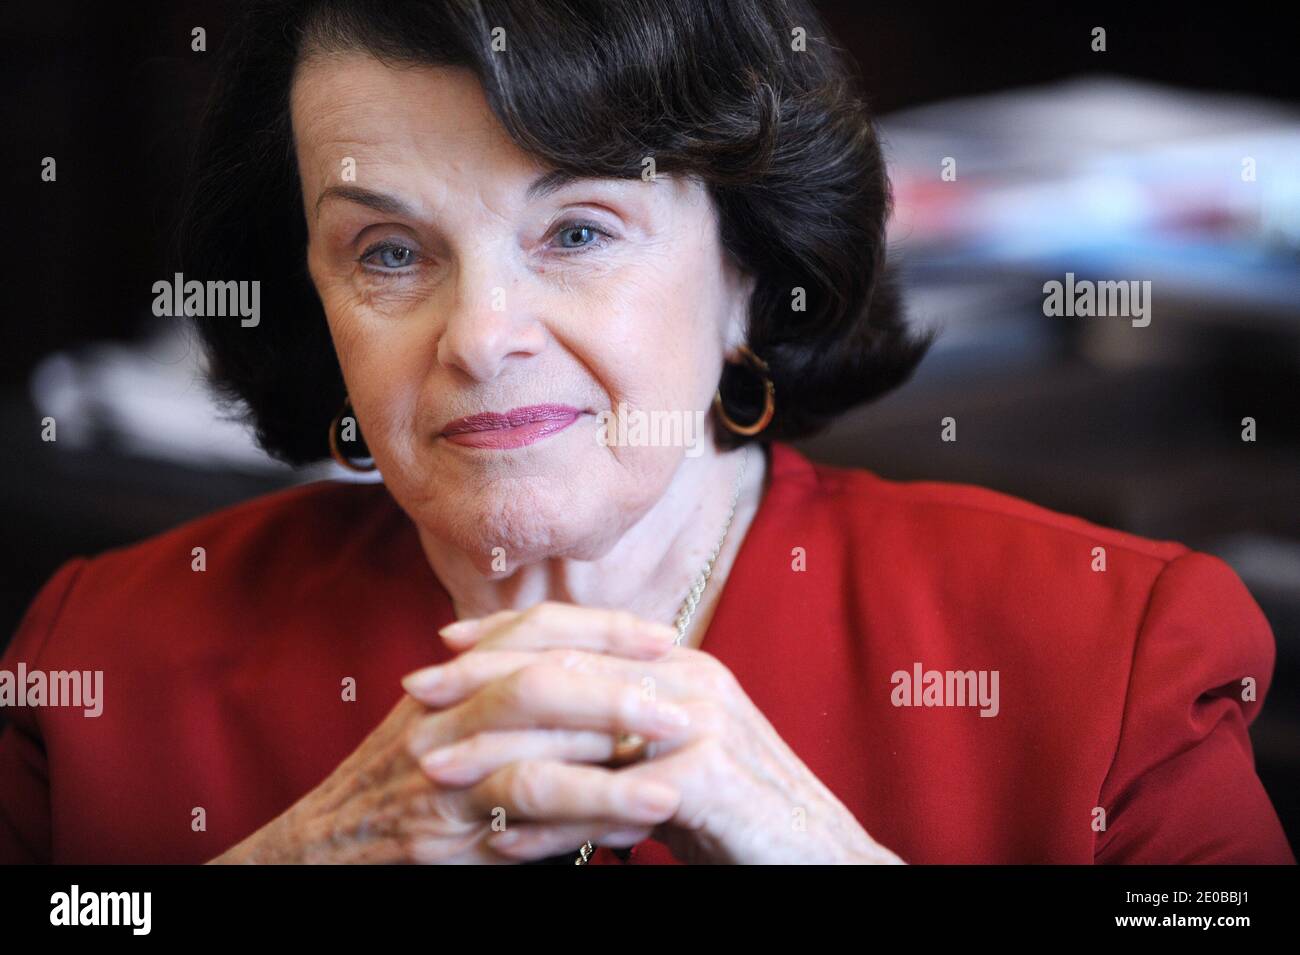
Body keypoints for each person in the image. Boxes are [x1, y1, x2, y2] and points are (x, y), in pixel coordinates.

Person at [0, 0, 1291, 865]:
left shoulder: (1109, 647)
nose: (481, 335)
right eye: (389, 252)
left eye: (578, 233)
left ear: (748, 269)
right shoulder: (105, 651)